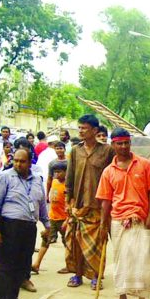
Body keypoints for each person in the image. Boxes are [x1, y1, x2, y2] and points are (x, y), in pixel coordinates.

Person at [96, 128, 150, 299]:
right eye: (119, 143)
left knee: (141, 263)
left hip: (140, 219)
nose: (123, 146)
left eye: (126, 143)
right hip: (118, 221)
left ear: (130, 143)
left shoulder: (145, 164)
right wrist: (102, 224)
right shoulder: (108, 171)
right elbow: (105, 200)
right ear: (113, 144)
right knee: (120, 262)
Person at [0, 148, 50, 299]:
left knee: (22, 267)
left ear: (30, 162)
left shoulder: (37, 180)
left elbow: (42, 205)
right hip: (9, 226)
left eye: (22, 161)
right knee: (4, 268)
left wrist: (47, 225)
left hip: (29, 227)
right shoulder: (5, 177)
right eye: (15, 160)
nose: (18, 164)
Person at [65, 114, 113, 289]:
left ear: (95, 130)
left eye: (84, 128)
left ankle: (96, 276)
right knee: (76, 242)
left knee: (98, 244)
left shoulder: (107, 151)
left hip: (98, 207)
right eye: (79, 128)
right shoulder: (75, 151)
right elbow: (69, 179)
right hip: (77, 205)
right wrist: (67, 201)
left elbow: (112, 176)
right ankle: (77, 275)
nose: (80, 131)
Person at [32, 162, 68, 273]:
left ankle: (69, 265)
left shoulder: (68, 185)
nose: (57, 174)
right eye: (55, 172)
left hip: (64, 219)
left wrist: (67, 220)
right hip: (52, 217)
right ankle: (36, 264)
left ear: (66, 172)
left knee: (68, 243)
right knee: (45, 240)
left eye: (59, 172)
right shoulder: (54, 182)